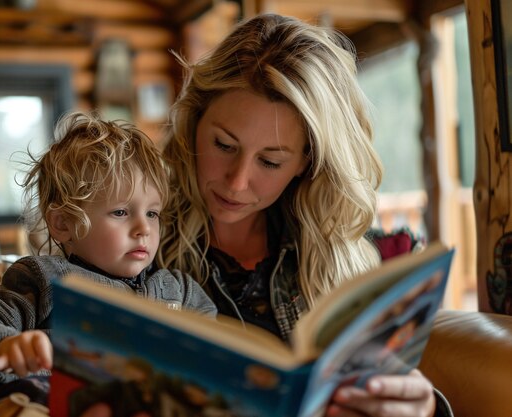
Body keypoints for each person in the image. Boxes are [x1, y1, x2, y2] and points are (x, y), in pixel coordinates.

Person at [157, 13, 451, 417]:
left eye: (271, 161)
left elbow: (379, 387)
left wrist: (425, 407)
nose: (237, 182)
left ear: (306, 162)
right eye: (224, 145)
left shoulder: (340, 258)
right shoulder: (135, 235)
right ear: (195, 124)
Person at [0, 111, 217, 412]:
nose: (144, 228)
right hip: (45, 399)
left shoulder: (180, 291)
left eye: (152, 213)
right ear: (63, 224)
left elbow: (218, 355)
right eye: (121, 212)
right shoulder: (41, 277)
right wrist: (6, 345)